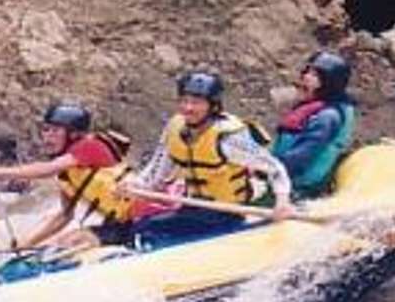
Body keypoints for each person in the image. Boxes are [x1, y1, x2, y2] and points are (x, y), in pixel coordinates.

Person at [126, 70, 294, 249]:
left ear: (213, 106)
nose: (188, 108)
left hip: (228, 213)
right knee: (142, 227)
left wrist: (282, 202)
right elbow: (156, 171)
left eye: (196, 103)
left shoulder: (228, 138)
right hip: (193, 208)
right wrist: (136, 186)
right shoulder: (175, 129)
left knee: (157, 236)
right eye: (184, 101)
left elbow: (275, 169)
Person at [0, 102, 140, 248]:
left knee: (74, 241)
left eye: (55, 131)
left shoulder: (89, 146)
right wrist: (26, 244)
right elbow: (65, 216)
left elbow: (47, 169)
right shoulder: (67, 173)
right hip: (121, 224)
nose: (47, 136)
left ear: (73, 135)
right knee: (58, 245)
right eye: (46, 130)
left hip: (140, 218)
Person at [270, 51, 357, 199]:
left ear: (330, 83)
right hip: (283, 175)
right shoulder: (315, 106)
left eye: (315, 75)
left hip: (295, 187)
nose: (306, 77)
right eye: (307, 72)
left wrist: (267, 171)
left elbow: (300, 157)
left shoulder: (327, 118)